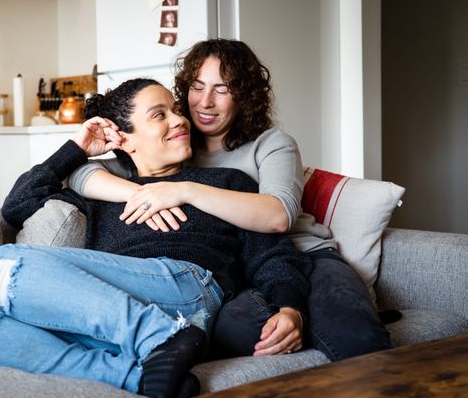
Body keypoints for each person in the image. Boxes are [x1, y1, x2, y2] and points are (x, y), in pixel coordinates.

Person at [0, 78, 311, 398]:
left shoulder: (224, 183)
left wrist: (290, 308)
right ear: (124, 139)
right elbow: (18, 205)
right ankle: (138, 377)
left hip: (187, 287)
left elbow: (272, 254)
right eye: (160, 115)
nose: (180, 119)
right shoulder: (102, 192)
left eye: (176, 109)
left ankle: (164, 335)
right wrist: (77, 149)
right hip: (106, 314)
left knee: (0, 266)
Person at [68, 39, 392, 361]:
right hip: (234, 269)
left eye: (221, 89)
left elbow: (278, 216)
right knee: (244, 330)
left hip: (301, 253)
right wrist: (140, 193)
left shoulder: (270, 143)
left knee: (353, 335)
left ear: (244, 97)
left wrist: (184, 190)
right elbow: (79, 175)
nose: (205, 102)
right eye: (197, 87)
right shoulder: (174, 140)